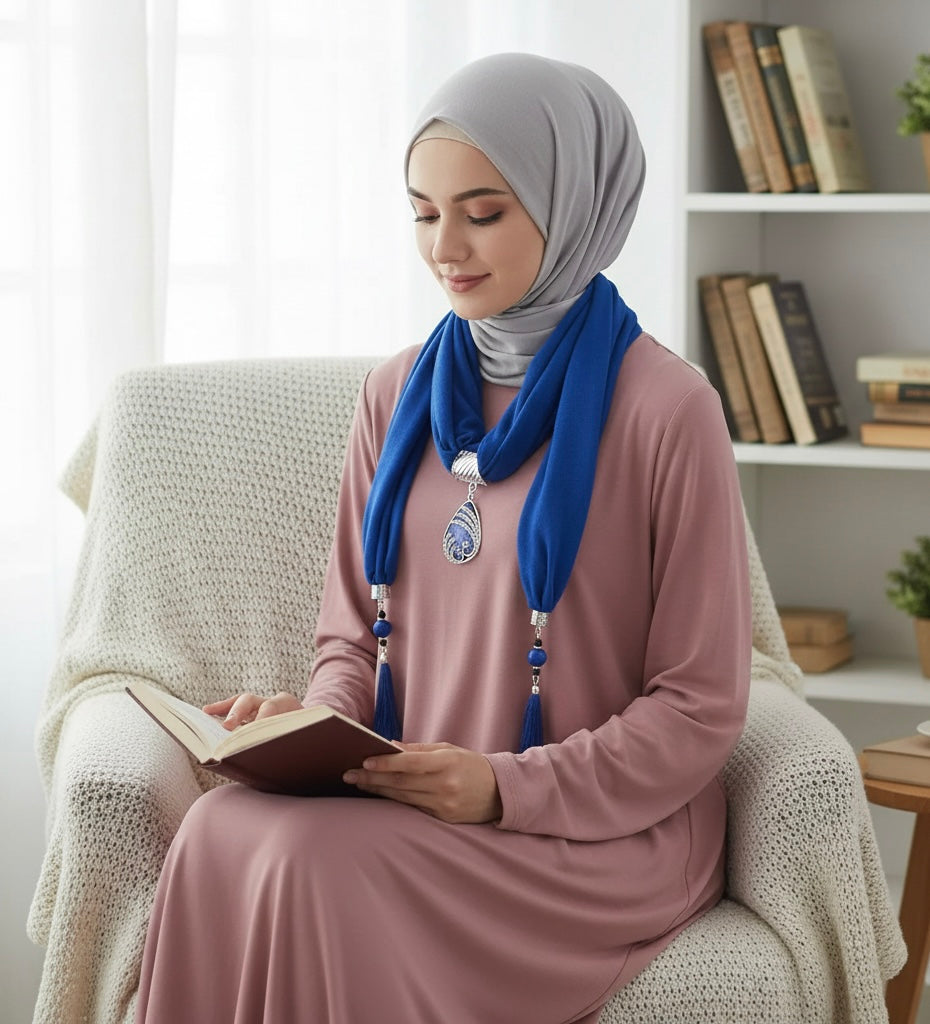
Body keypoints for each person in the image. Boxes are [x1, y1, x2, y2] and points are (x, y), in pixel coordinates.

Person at [134, 52, 751, 1024]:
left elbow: (699, 708)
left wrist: (501, 788)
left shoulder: (668, 410)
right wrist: (312, 734)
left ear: (575, 205)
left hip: (590, 835)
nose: (445, 247)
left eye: (484, 211)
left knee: (315, 861)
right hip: (411, 793)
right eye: (424, 213)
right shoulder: (395, 393)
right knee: (216, 829)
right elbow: (352, 636)